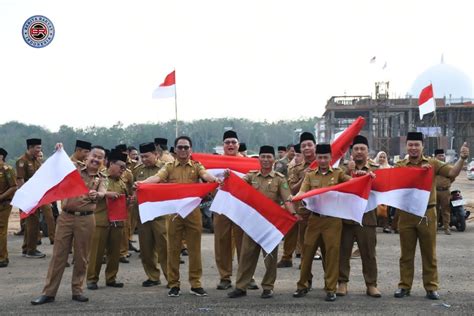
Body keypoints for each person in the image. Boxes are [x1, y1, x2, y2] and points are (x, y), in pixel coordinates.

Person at [138, 136, 218, 297]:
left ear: (191, 150)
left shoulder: (196, 166)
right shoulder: (168, 167)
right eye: (180, 147)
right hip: (174, 214)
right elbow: (157, 178)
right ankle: (174, 284)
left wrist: (215, 179)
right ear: (175, 150)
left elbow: (206, 175)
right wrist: (143, 183)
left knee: (194, 250)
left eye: (186, 147)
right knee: (172, 249)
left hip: (193, 214)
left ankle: (196, 284)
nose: (183, 150)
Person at [394, 132, 469, 300]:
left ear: (422, 146)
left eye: (417, 145)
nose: (413, 148)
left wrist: (462, 158)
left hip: (427, 213)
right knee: (406, 254)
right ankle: (404, 286)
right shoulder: (400, 166)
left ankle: (431, 287)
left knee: (429, 253)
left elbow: (452, 173)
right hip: (406, 213)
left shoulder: (433, 163)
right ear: (406, 146)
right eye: (410, 145)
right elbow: (395, 184)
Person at [31, 144, 107, 305]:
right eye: (94, 155)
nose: (96, 159)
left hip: (86, 219)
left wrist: (97, 194)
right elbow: (60, 163)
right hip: (66, 218)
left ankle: (77, 290)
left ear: (103, 161)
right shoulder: (73, 169)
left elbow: (102, 192)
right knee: (58, 256)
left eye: (100, 157)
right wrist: (59, 150)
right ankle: (48, 293)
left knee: (82, 256)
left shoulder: (101, 178)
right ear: (87, 157)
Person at [227, 146, 297, 299]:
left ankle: (268, 287)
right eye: (263, 156)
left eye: (269, 157)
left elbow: (287, 199)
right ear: (258, 159)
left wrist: (293, 214)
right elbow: (237, 184)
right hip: (253, 223)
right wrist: (228, 177)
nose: (266, 160)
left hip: (270, 225)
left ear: (274, 159)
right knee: (246, 256)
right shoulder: (251, 177)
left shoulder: (280, 178)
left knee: (270, 258)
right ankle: (241, 287)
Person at [293, 143, 351, 302]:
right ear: (316, 158)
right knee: (307, 253)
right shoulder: (310, 175)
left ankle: (330, 289)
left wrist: (365, 177)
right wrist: (297, 197)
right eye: (320, 157)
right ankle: (302, 285)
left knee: (332, 254)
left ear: (331, 158)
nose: (323, 160)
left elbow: (352, 184)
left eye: (326, 157)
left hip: (333, 220)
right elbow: (303, 190)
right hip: (315, 219)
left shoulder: (339, 174)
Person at [336, 135, 381, 298]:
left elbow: (381, 187)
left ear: (368, 152)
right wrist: (349, 171)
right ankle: (342, 282)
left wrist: (369, 177)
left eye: (363, 149)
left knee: (368, 252)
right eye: (356, 149)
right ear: (351, 152)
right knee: (343, 252)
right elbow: (336, 186)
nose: (359, 152)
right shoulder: (341, 169)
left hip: (367, 217)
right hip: (346, 218)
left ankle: (371, 284)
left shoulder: (376, 169)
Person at [213, 131, 257, 290]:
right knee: (222, 242)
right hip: (221, 206)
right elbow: (208, 181)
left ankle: (247, 276)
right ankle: (225, 277)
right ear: (223, 145)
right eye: (227, 142)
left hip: (242, 206)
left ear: (238, 144)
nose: (230, 145)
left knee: (244, 243)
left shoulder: (249, 164)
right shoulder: (215, 162)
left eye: (233, 142)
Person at [87, 149, 129, 290]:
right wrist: (105, 194)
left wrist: (131, 200)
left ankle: (111, 278)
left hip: (117, 221)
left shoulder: (122, 182)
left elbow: (126, 199)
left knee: (115, 252)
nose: (123, 170)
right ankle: (92, 279)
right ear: (110, 164)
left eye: (125, 167)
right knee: (97, 252)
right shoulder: (99, 178)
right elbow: (89, 196)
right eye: (120, 167)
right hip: (101, 220)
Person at [132, 142, 168, 287]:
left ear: (156, 154)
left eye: (147, 156)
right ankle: (153, 277)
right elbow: (133, 188)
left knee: (164, 247)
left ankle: (171, 278)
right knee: (146, 249)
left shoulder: (165, 169)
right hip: (143, 213)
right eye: (142, 157)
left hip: (161, 214)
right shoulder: (137, 170)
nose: (144, 159)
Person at [16, 138, 45, 258]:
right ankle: (31, 250)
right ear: (31, 148)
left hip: (36, 195)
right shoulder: (21, 161)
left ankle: (26, 248)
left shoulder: (36, 161)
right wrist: (26, 196)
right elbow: (20, 180)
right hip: (28, 196)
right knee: (32, 223)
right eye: (37, 148)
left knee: (31, 223)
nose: (39, 150)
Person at [0, 148, 17, 268]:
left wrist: (1, 197)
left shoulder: (7, 169)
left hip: (4, 204)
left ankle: (2, 257)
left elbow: (13, 186)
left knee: (1, 230)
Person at [434, 149, 453, 235]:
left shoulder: (448, 166)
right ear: (435, 157)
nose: (441, 157)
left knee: (446, 210)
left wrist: (447, 184)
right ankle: (435, 228)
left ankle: (446, 227)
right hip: (435, 191)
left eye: (442, 155)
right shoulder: (433, 166)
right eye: (439, 155)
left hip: (445, 191)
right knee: (435, 210)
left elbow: (452, 177)